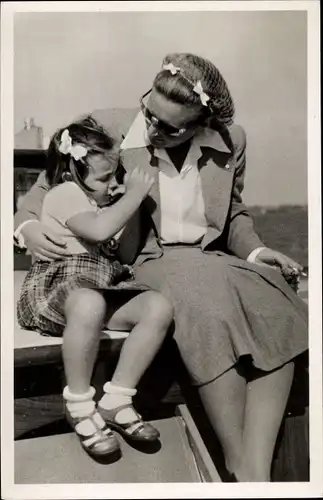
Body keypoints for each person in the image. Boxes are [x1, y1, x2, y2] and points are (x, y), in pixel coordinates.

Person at [15, 53, 308, 481]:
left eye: (168, 127)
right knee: (203, 302)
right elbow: (45, 188)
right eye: (149, 110)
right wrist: (25, 226)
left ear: (200, 123)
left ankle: (254, 466)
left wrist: (258, 254)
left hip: (208, 257)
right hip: (148, 259)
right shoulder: (106, 127)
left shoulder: (232, 140)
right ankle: (237, 459)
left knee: (274, 298)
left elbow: (234, 212)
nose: (152, 127)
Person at [16, 116, 174, 460]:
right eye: (104, 178)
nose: (109, 185)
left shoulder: (100, 204)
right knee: (88, 303)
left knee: (157, 307)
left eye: (113, 177)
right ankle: (79, 403)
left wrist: (122, 205)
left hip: (96, 291)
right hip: (57, 288)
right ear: (74, 171)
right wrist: (133, 195)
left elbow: (121, 248)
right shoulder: (63, 193)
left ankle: (117, 398)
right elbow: (100, 232)